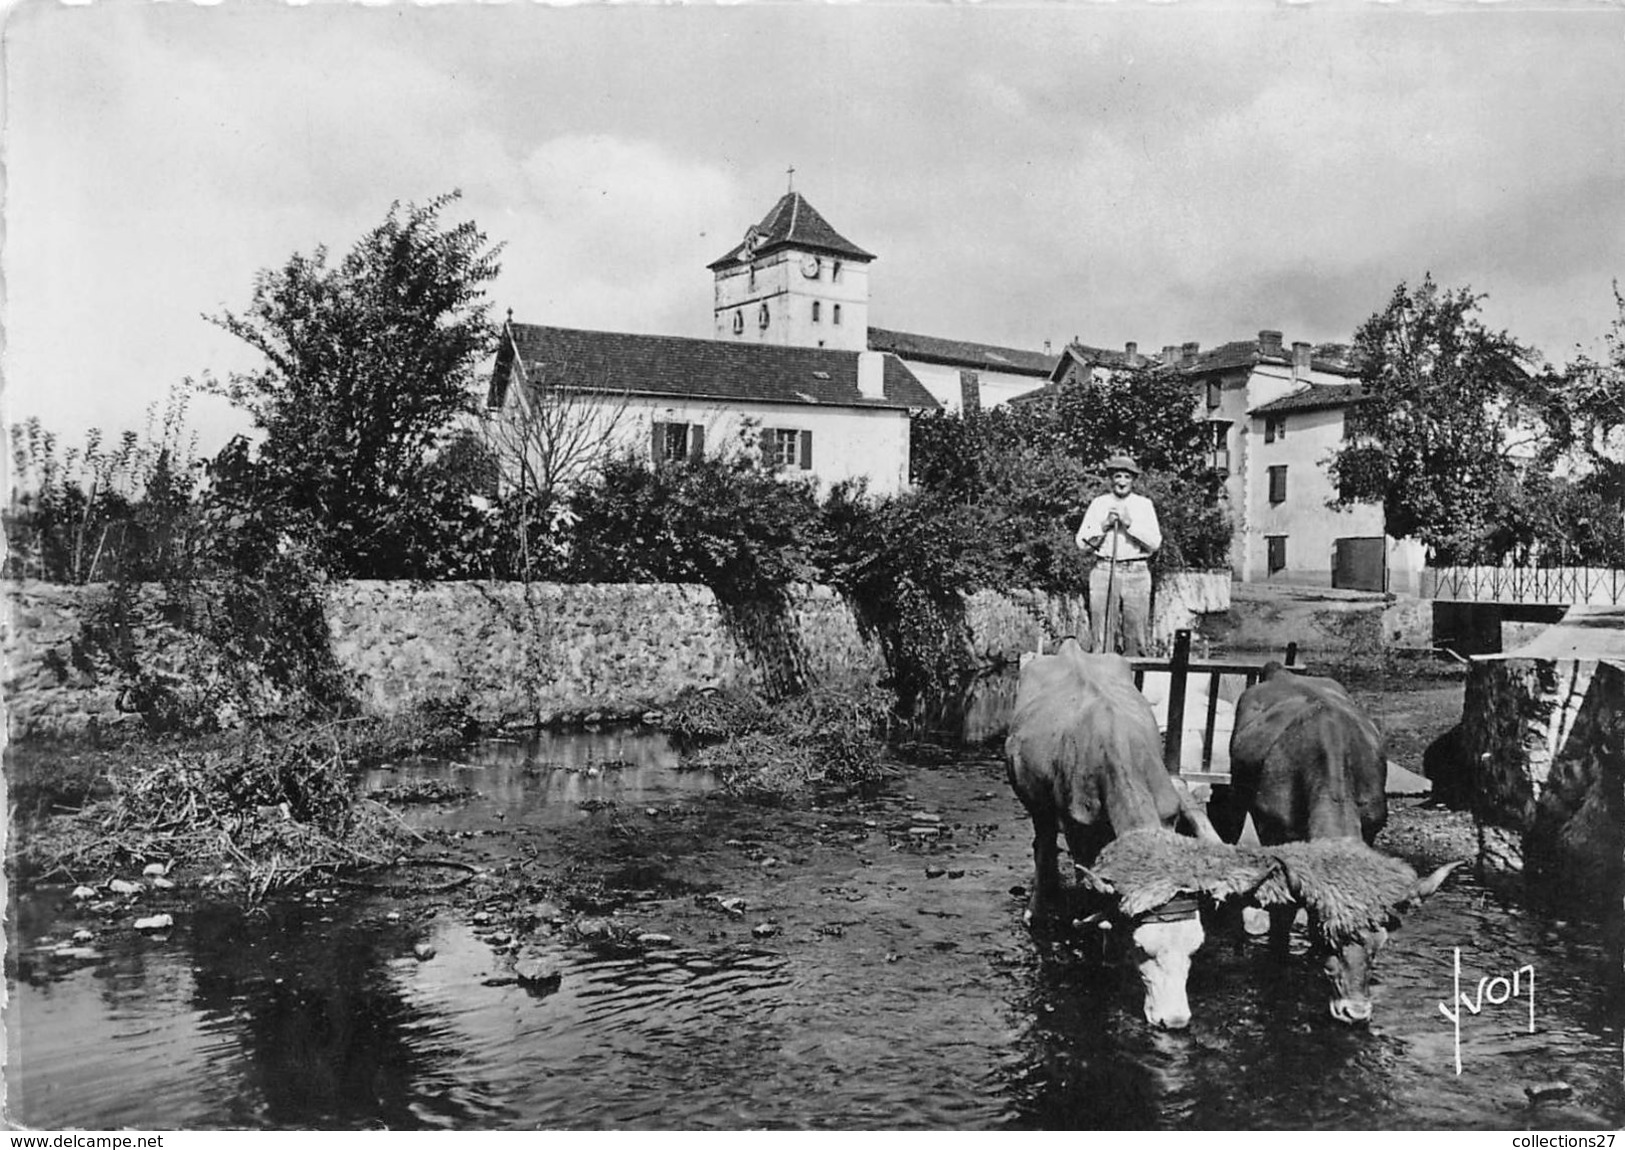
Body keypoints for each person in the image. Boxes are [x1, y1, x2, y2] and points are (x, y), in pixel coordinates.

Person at [1076, 455, 1163, 656]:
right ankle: (1101, 680)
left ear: (1133, 480)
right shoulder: (1099, 504)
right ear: (1111, 479)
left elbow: (1154, 543)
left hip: (1137, 572)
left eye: (1126, 477)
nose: (1122, 481)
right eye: (1117, 476)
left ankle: (1135, 681)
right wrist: (1104, 525)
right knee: (1102, 635)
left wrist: (1129, 524)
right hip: (1105, 571)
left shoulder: (1144, 505)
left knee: (1136, 635)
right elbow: (1082, 543)